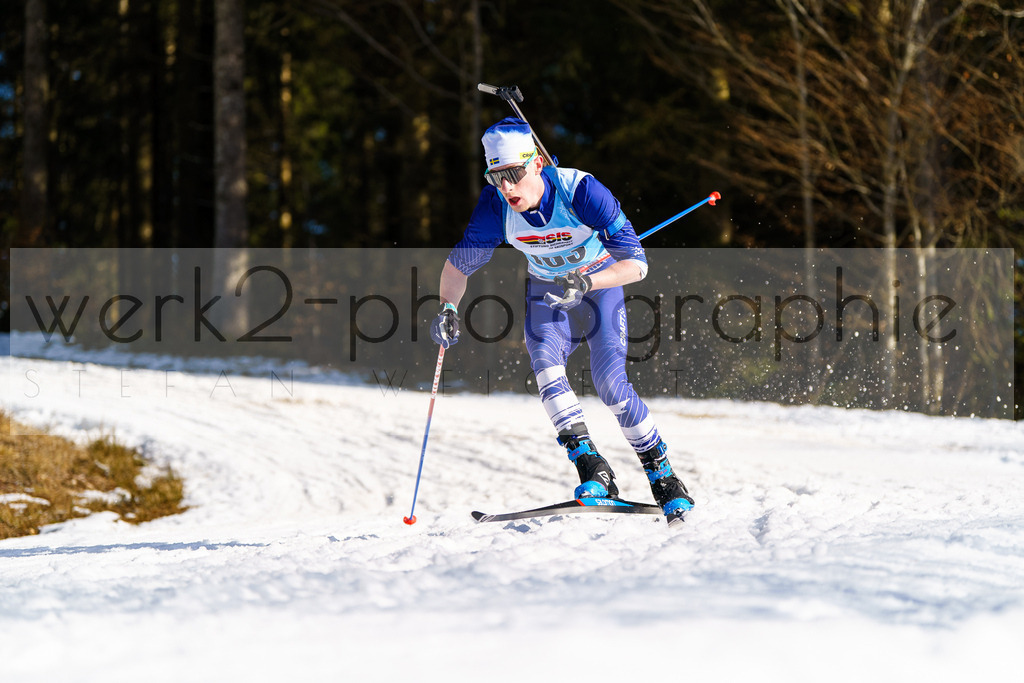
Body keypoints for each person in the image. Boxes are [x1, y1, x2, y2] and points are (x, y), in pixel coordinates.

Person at [430, 117, 694, 524]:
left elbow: (636, 264)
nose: (506, 187)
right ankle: (593, 469)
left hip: (598, 288)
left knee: (610, 384)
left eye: (513, 174)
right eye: (495, 176)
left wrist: (587, 280)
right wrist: (447, 307)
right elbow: (457, 268)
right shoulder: (495, 207)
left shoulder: (583, 191)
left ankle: (664, 478)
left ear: (536, 163)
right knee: (547, 370)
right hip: (547, 293)